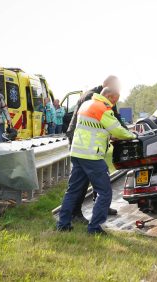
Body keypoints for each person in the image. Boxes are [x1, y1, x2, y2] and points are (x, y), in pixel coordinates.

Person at [56, 87, 137, 234]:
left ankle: (63, 224)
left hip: (78, 152)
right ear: (108, 95)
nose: (113, 104)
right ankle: (94, 228)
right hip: (91, 155)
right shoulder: (102, 107)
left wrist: (108, 136)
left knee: (72, 191)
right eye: (114, 100)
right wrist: (133, 136)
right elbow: (117, 129)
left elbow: (94, 128)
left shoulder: (86, 104)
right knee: (104, 192)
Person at [67, 75, 124, 222]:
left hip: (92, 141)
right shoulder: (92, 97)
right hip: (81, 139)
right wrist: (124, 134)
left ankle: (100, 206)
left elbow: (115, 117)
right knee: (83, 180)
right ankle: (75, 212)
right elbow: (96, 119)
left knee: (98, 173)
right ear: (106, 85)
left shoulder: (107, 97)